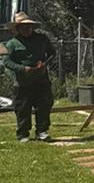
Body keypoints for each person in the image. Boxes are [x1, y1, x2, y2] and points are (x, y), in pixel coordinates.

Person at [2, 13, 56, 142]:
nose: (26, 29)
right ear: (17, 28)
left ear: (32, 27)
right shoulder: (12, 43)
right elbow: (7, 61)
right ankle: (23, 134)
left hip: (41, 79)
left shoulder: (42, 39)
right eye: (23, 27)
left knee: (44, 105)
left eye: (29, 27)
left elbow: (52, 53)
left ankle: (42, 131)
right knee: (23, 108)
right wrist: (22, 68)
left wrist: (45, 64)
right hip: (23, 82)